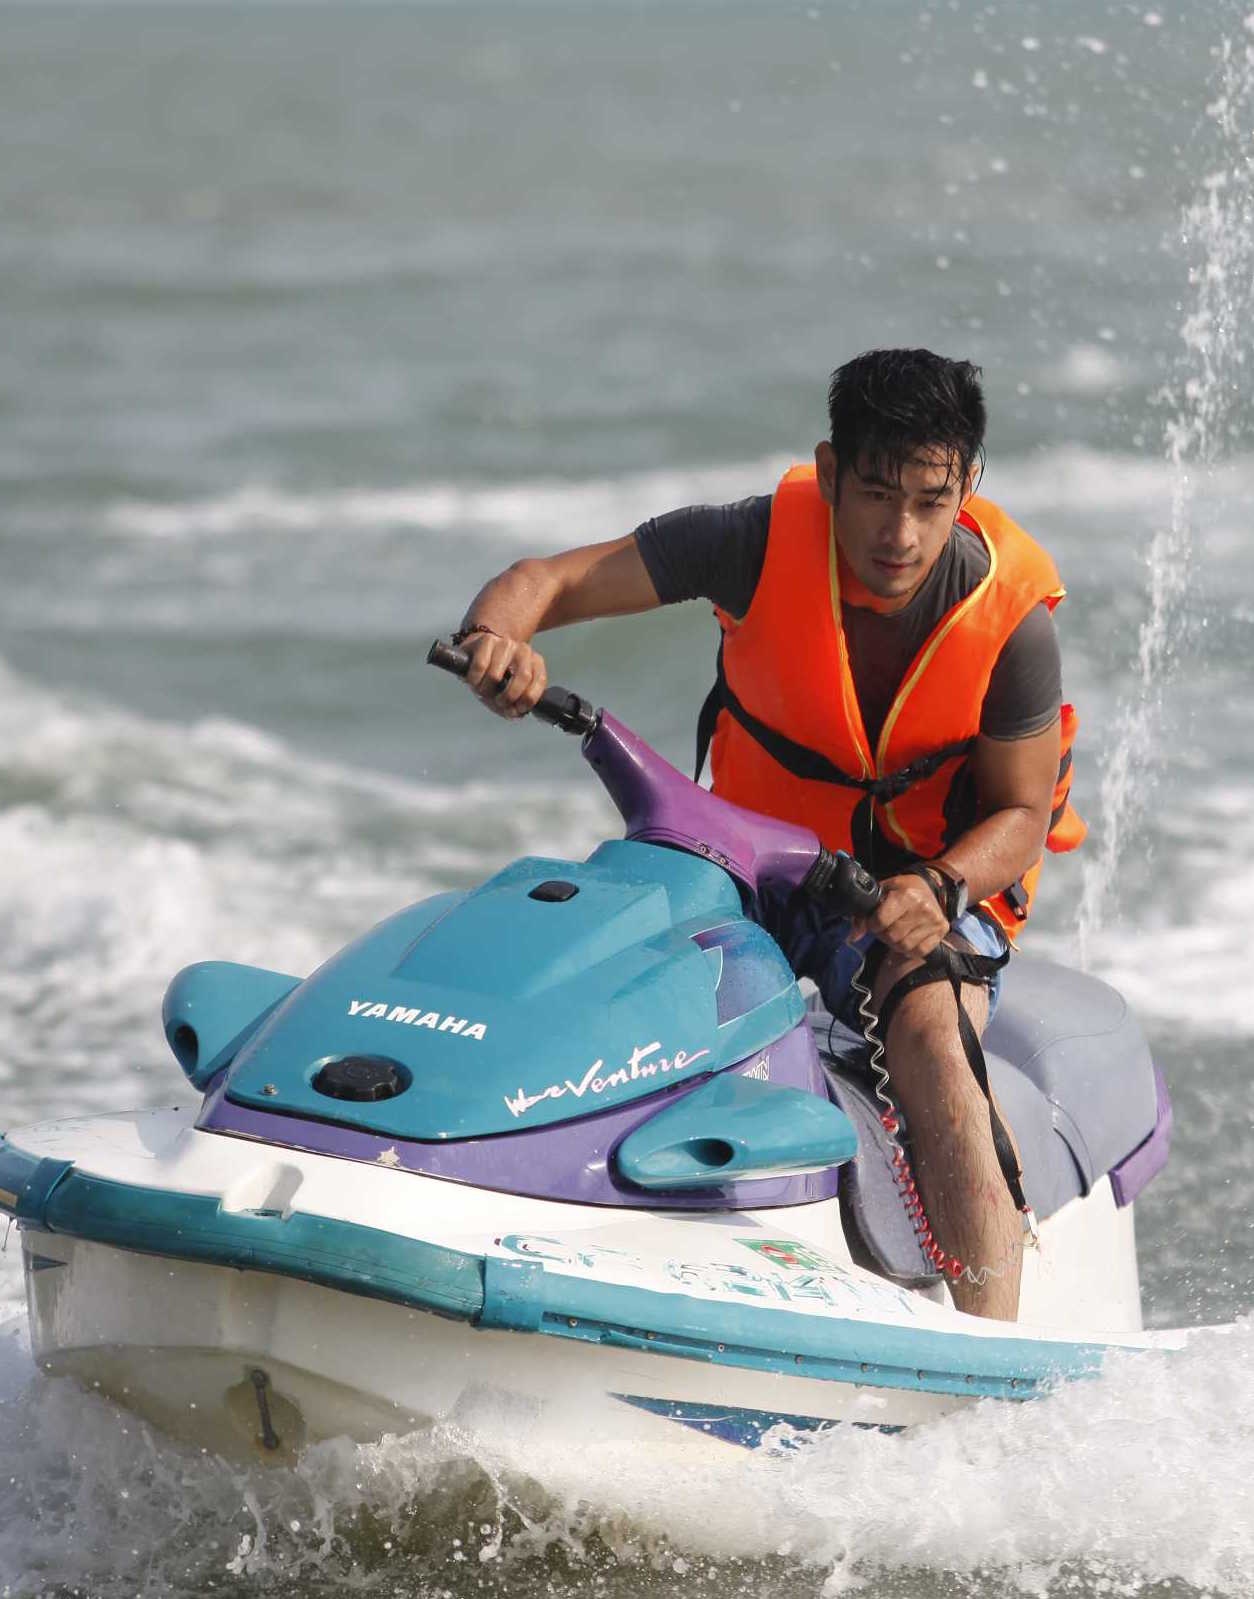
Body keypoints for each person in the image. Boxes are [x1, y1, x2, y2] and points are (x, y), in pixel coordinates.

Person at [451, 347, 1083, 1321]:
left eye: (931, 501)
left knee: (926, 1023)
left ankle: (991, 1344)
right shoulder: (751, 543)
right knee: (603, 960)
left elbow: (1023, 814)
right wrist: (496, 640)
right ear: (830, 473)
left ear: (967, 486)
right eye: (876, 495)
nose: (901, 533)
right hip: (756, 866)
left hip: (925, 893)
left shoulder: (1010, 619)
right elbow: (544, 580)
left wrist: (940, 888)